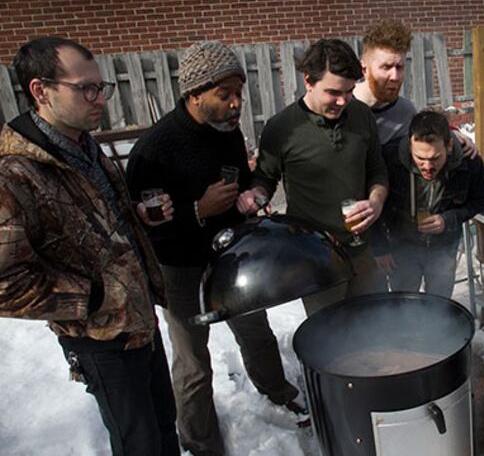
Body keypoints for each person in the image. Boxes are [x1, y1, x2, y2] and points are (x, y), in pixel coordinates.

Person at [0, 37, 179, 455]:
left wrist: (139, 218)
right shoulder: (14, 175)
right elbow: (5, 283)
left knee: (164, 431)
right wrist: (95, 296)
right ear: (40, 91)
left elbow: (93, 224)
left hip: (139, 324)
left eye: (101, 88)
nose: (100, 98)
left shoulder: (82, 145)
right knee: (140, 446)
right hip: (100, 342)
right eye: (86, 89)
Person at [126, 41, 302, 456]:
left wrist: (246, 199)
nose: (236, 103)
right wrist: (196, 210)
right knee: (193, 363)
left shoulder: (228, 134)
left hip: (229, 255)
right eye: (224, 95)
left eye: (239, 93)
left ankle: (278, 391)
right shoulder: (155, 150)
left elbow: (239, 182)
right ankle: (201, 442)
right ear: (194, 93)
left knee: (256, 331)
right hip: (179, 267)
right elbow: (145, 229)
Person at [237, 38, 389, 315]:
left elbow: (377, 170)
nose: (343, 101)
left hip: (362, 250)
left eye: (349, 91)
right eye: (333, 92)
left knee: (374, 327)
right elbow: (264, 179)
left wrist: (376, 202)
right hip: (315, 258)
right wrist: (256, 196)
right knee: (329, 339)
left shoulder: (362, 115)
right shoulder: (281, 127)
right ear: (308, 81)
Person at [372, 110, 484, 297]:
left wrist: (449, 219)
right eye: (420, 159)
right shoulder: (389, 159)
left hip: (443, 247)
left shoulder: (469, 163)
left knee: (440, 303)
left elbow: (479, 200)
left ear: (449, 146)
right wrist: (379, 247)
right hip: (401, 247)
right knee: (403, 302)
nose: (427, 166)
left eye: (435, 158)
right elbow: (373, 202)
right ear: (410, 145)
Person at [354, 18, 478, 152]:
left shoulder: (405, 112)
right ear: (364, 69)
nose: (395, 77)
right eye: (386, 67)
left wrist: (450, 134)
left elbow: (425, 130)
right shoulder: (342, 107)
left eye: (399, 67)